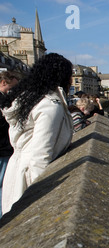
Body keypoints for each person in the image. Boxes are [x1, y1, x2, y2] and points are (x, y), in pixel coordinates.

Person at [0, 53, 74, 215]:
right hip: (27, 177)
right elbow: (40, 156)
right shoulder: (49, 106)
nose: (71, 82)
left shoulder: (33, 99)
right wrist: (43, 198)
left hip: (17, 169)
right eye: (70, 76)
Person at [0, 71, 19, 217]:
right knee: (3, 186)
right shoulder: (2, 101)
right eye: (11, 87)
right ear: (3, 82)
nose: (12, 91)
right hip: (3, 149)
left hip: (5, 149)